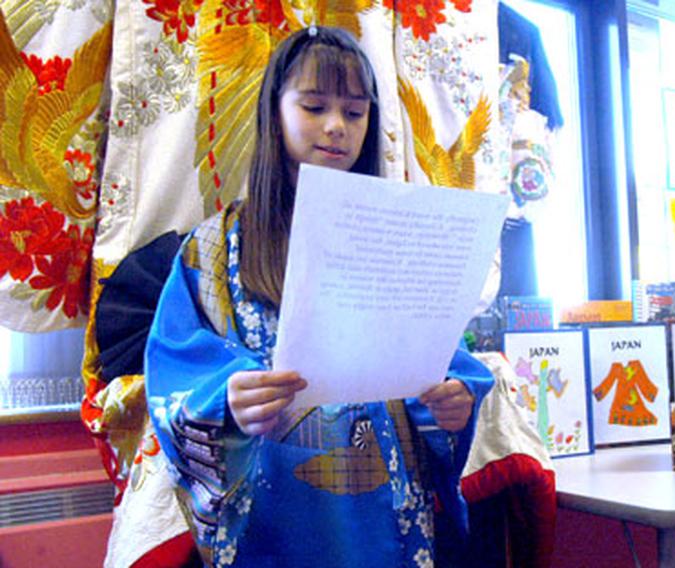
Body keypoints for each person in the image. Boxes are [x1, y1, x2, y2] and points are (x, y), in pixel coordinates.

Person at [145, 26, 494, 567]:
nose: (336, 127)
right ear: (274, 111)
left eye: (355, 113)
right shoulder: (212, 250)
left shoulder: (398, 237)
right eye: (314, 106)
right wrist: (227, 400)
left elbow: (441, 352)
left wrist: (451, 401)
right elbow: (173, 368)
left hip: (385, 507)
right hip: (272, 509)